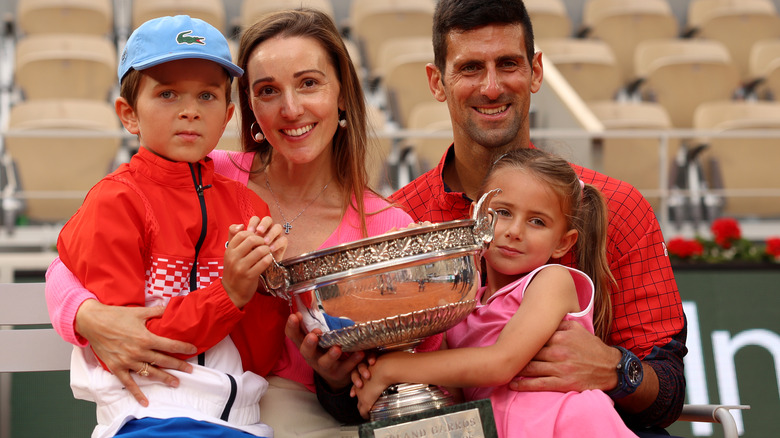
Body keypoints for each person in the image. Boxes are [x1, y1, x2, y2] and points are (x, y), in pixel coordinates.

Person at [307, 1, 687, 436]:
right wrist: (336, 378)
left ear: (536, 71)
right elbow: (361, 393)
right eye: (470, 68)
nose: (491, 88)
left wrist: (616, 369)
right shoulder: (397, 220)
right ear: (437, 82)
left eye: (508, 64)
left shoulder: (618, 204)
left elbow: (668, 395)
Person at [44, 9, 413, 438]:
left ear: (343, 93)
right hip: (167, 406)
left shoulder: (387, 227)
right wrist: (85, 315)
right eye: (268, 90)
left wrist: (331, 374)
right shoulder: (198, 169)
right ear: (250, 107)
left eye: (309, 83)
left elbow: (400, 376)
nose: (291, 108)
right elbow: (70, 261)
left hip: (282, 409)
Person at [55, 15, 290, 437]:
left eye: (206, 95)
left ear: (227, 115)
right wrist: (229, 293)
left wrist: (266, 283)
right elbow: (131, 347)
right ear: (129, 114)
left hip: (243, 422)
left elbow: (260, 357)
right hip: (148, 418)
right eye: (167, 94)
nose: (189, 111)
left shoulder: (246, 204)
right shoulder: (114, 201)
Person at [353, 148, 638, 437]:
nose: (514, 231)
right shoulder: (461, 305)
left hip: (574, 426)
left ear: (563, 243)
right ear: (475, 217)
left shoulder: (552, 281)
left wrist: (394, 368)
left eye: (537, 221)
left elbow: (501, 364)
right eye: (502, 212)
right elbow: (455, 398)